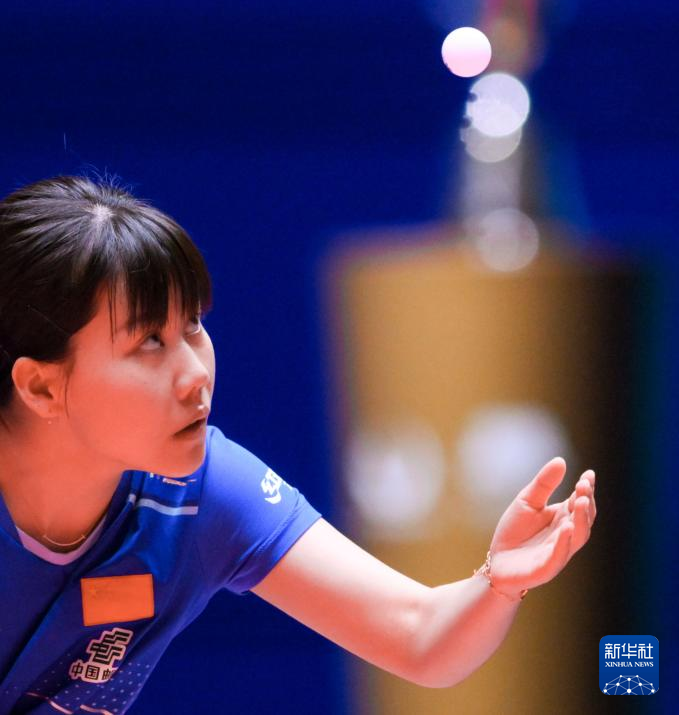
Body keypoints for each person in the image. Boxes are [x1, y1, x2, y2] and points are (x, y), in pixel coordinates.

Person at [0, 174, 596, 713]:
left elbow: (420, 637)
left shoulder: (200, 493)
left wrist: (498, 583)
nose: (196, 374)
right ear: (41, 387)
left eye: (193, 326)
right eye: (149, 343)